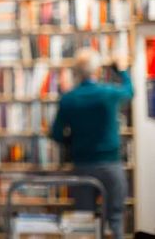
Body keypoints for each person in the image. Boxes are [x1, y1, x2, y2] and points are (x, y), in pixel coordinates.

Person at [50, 47, 133, 239]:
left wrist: (73, 141)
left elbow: (56, 134)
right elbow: (130, 91)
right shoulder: (108, 93)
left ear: (76, 73)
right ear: (97, 70)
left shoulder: (68, 99)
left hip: (82, 165)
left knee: (84, 221)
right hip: (110, 164)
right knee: (115, 218)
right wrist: (121, 70)